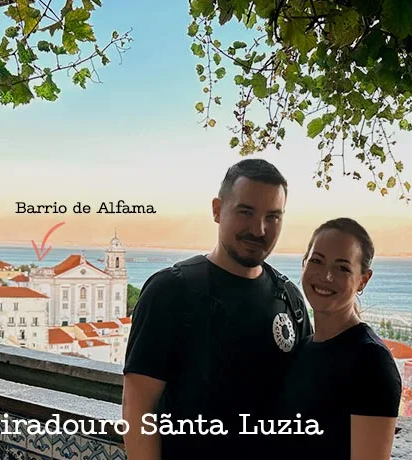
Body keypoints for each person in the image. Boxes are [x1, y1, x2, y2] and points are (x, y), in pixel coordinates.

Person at [121, 158, 313, 459]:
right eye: (246, 212)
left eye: (272, 217)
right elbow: (138, 410)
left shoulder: (290, 300)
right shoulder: (170, 292)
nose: (259, 229)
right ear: (217, 210)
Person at [274, 217, 402, 460]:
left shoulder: (370, 360)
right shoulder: (303, 348)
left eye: (342, 267)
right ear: (304, 264)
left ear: (363, 279)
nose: (326, 276)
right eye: (317, 261)